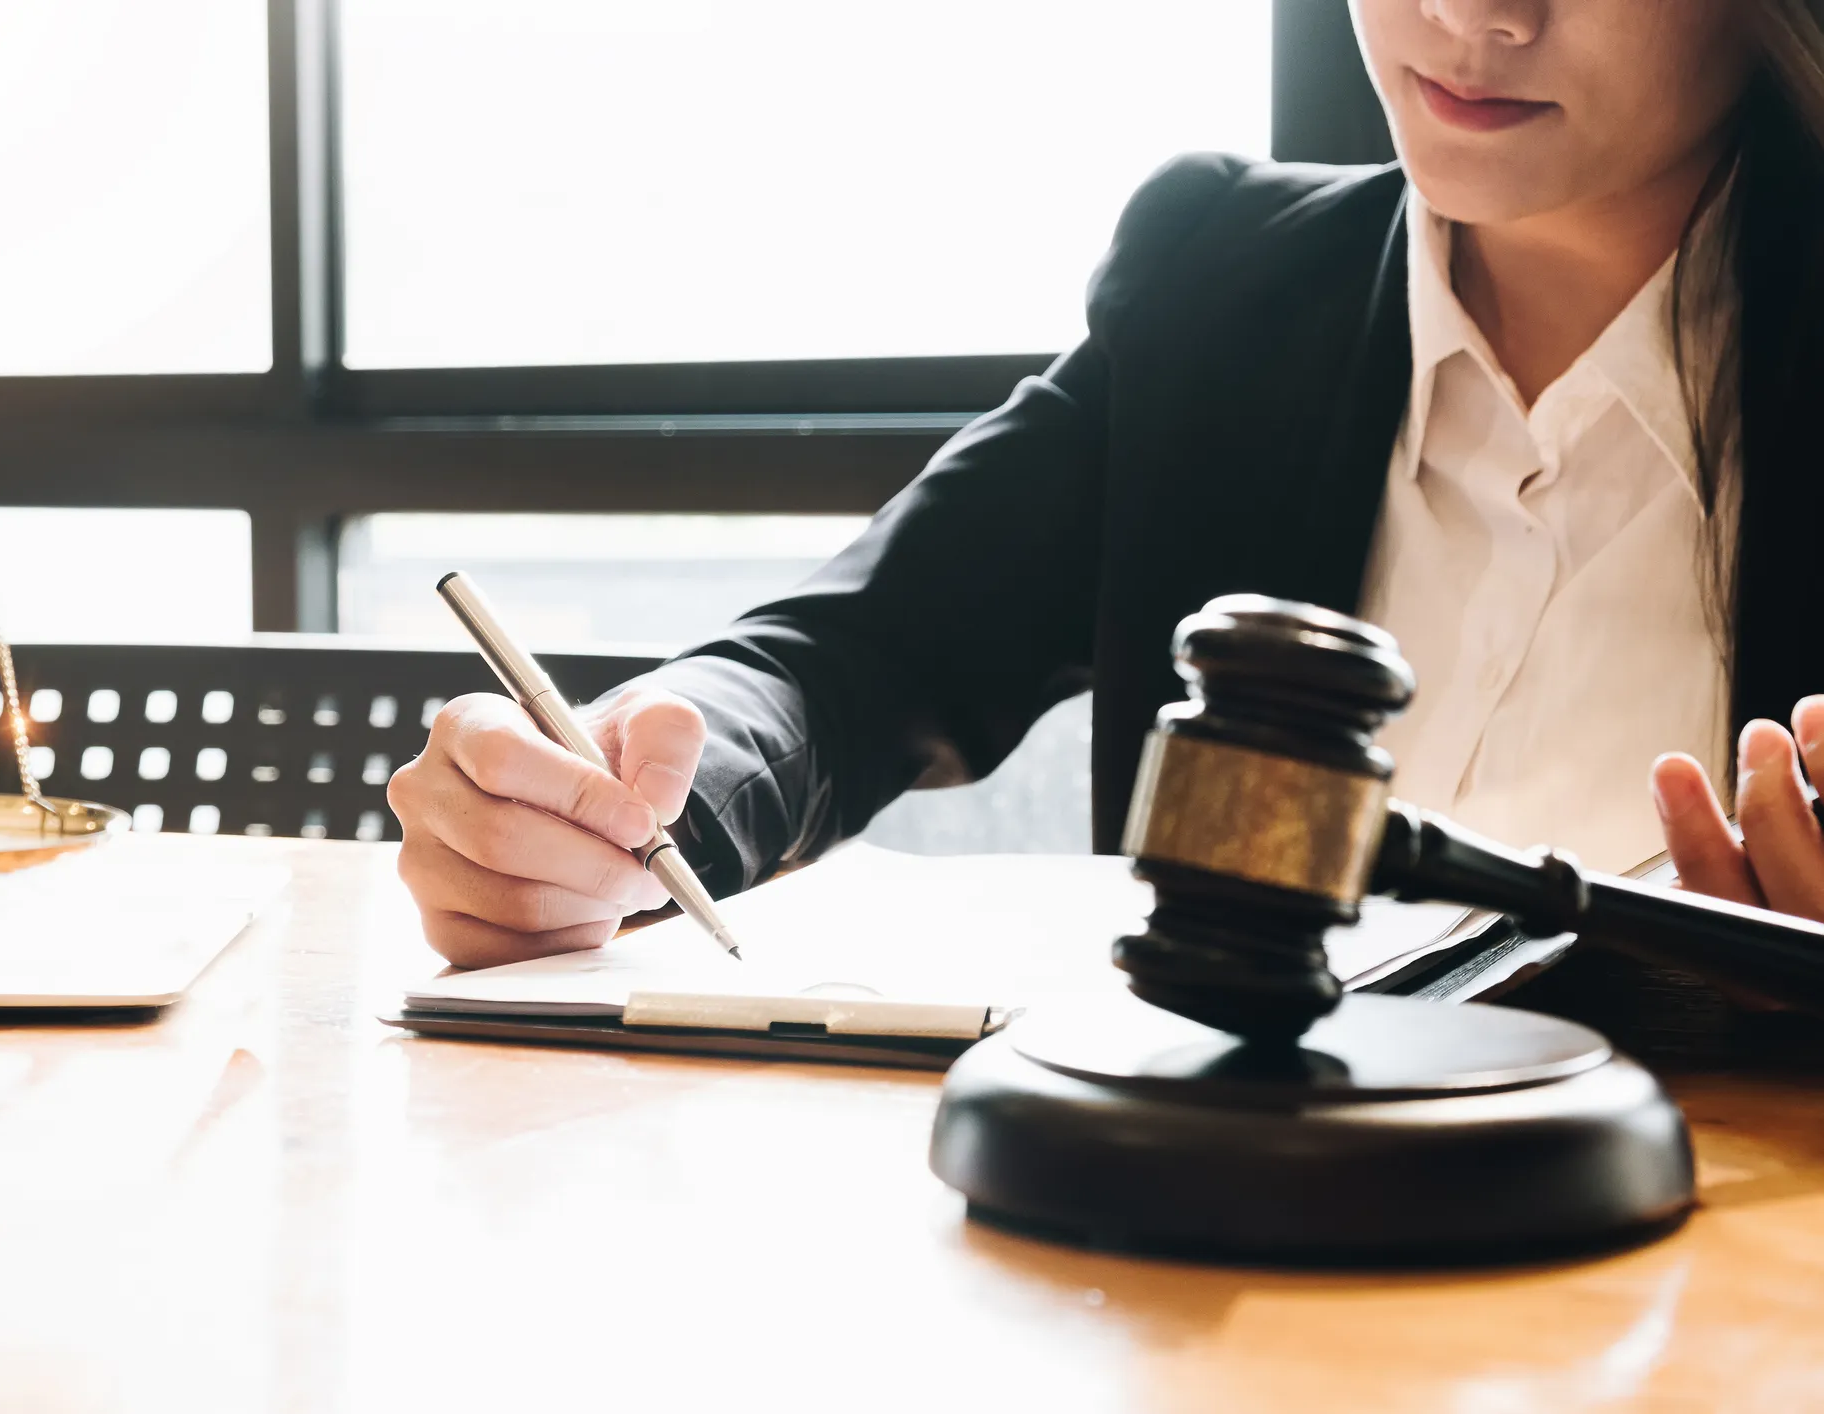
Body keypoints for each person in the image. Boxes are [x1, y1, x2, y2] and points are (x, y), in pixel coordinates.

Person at [391, 0, 1824, 970]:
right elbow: (857, 655)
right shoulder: (1225, 286)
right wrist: (623, 800)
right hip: (1200, 1245)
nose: (1474, 10)